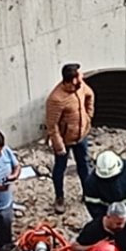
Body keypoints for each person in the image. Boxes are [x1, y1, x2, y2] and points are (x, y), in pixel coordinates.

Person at [46, 62, 95, 214]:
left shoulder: (80, 87)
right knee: (60, 169)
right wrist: (59, 145)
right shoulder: (56, 99)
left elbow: (90, 95)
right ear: (72, 79)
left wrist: (88, 116)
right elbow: (52, 124)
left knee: (84, 165)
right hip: (65, 140)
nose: (82, 76)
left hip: (81, 136)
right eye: (79, 75)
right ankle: (59, 197)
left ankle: (88, 193)